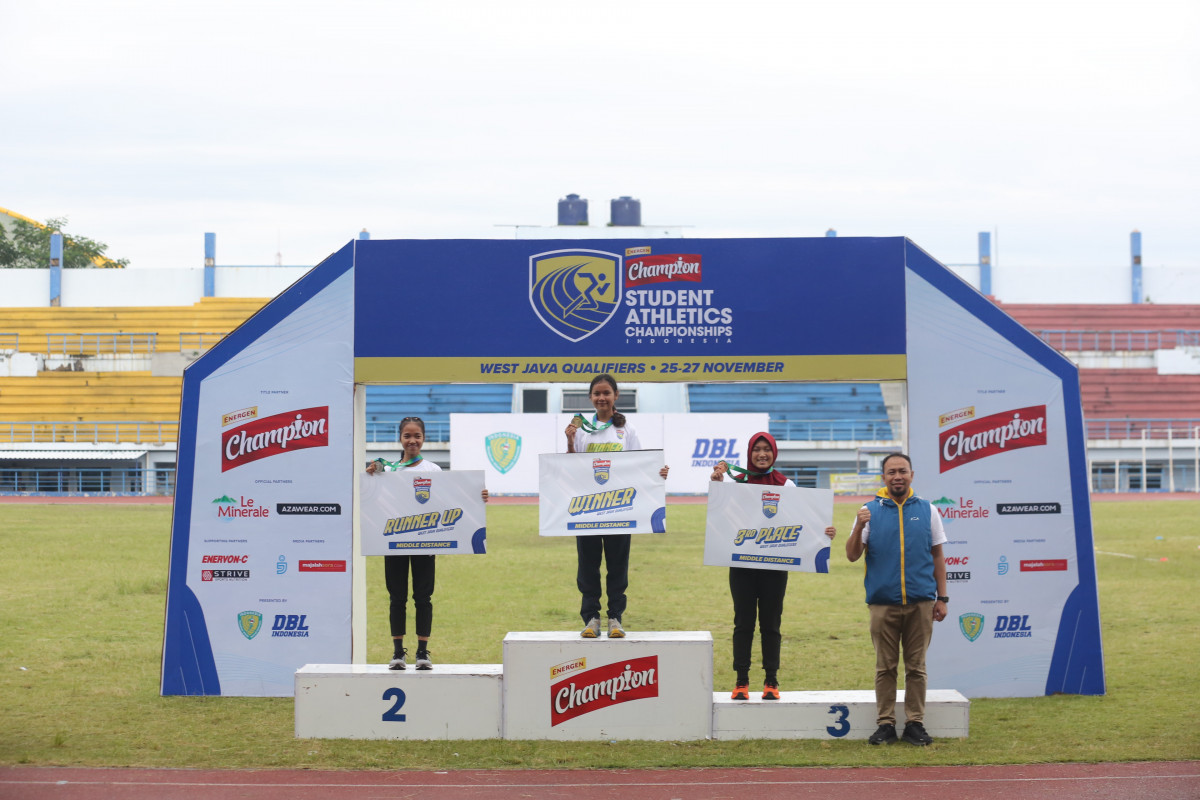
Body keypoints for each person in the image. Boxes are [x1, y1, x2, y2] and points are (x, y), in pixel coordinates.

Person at [711, 432, 836, 700]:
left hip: (774, 566)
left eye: (767, 449)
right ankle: (741, 681)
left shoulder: (785, 484)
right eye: (757, 449)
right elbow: (720, 513)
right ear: (749, 453)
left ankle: (771, 682)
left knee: (771, 624)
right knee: (743, 623)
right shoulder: (738, 481)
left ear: (774, 453)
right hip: (742, 565)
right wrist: (718, 482)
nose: (762, 454)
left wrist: (824, 532)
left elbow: (804, 519)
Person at [365, 415, 487, 670]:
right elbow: (372, 496)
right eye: (407, 436)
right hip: (394, 542)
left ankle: (422, 652)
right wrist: (373, 470)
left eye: (417, 436)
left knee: (423, 597)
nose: (412, 440)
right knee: (396, 597)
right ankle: (398, 653)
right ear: (399, 438)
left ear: (424, 439)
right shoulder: (387, 469)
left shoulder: (432, 470)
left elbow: (450, 500)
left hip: (425, 542)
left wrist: (478, 497)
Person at [845, 452, 948, 746]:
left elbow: (938, 556)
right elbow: (852, 555)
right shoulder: (869, 511)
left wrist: (942, 597)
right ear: (884, 478)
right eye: (891, 472)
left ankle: (915, 723)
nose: (897, 476)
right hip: (882, 603)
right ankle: (885, 724)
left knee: (916, 667)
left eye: (902, 471)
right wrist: (857, 525)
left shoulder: (928, 510)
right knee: (885, 667)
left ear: (912, 475)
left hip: (921, 602)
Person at [564, 374, 669, 639]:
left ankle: (615, 618)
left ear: (615, 396)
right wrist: (569, 442)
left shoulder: (627, 430)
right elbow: (569, 468)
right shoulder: (581, 429)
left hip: (620, 509)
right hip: (588, 508)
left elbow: (640, 465)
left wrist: (659, 473)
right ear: (590, 398)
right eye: (597, 394)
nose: (601, 398)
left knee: (617, 566)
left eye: (606, 393)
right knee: (587, 566)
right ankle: (591, 618)